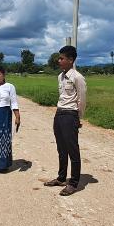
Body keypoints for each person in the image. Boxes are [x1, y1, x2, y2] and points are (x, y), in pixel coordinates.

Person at [43, 45, 87, 196]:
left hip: (70, 115)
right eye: (59, 58)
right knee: (61, 149)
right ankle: (61, 178)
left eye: (62, 58)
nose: (59, 60)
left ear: (71, 60)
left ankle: (73, 183)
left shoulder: (78, 77)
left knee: (72, 150)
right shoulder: (60, 77)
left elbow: (82, 100)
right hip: (59, 113)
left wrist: (78, 118)